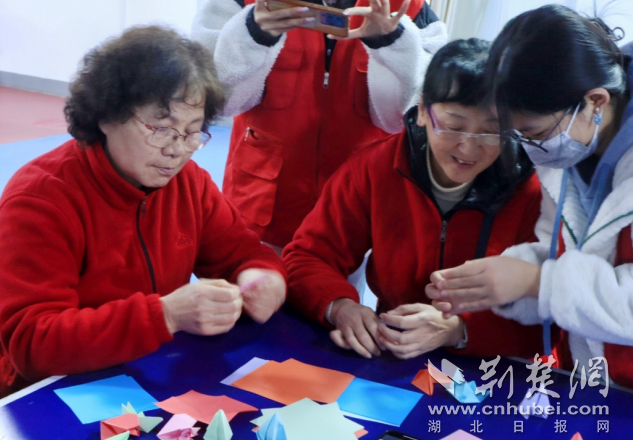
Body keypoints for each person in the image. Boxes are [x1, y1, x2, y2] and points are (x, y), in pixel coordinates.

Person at [0, 26, 286, 397]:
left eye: (192, 132)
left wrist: (262, 278)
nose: (176, 149)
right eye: (161, 128)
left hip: (146, 374)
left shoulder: (188, 183)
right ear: (106, 116)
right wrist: (165, 315)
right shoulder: (41, 198)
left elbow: (242, 253)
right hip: (52, 393)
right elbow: (32, 343)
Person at [282, 38, 544, 360]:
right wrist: (340, 306)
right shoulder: (377, 167)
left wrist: (459, 329)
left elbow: (552, 313)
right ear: (422, 110)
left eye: (492, 132)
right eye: (453, 126)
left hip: (494, 364)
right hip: (393, 349)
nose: (468, 148)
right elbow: (307, 256)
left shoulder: (533, 191)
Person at [426, 5, 633, 386]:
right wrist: (499, 277)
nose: (530, 148)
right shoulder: (569, 143)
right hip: (591, 376)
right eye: (516, 133)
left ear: (595, 101)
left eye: (535, 133)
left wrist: (537, 281)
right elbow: (561, 250)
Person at [192, 0, 447, 252]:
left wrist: (392, 43)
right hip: (260, 199)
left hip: (354, 205)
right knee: (252, 273)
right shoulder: (239, 3)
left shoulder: (407, 8)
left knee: (338, 274)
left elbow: (411, 117)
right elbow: (215, 102)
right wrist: (252, 33)